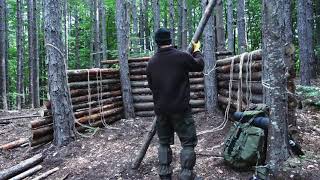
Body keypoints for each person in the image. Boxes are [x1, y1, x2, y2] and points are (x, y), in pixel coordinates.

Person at [146, 28, 204, 180]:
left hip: (161, 111)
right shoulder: (182, 56)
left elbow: (151, 87)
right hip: (181, 110)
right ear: (170, 40)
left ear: (157, 42)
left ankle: (165, 175)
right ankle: (186, 175)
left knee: (164, 143)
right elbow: (199, 65)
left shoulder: (151, 63)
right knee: (188, 143)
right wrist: (197, 51)